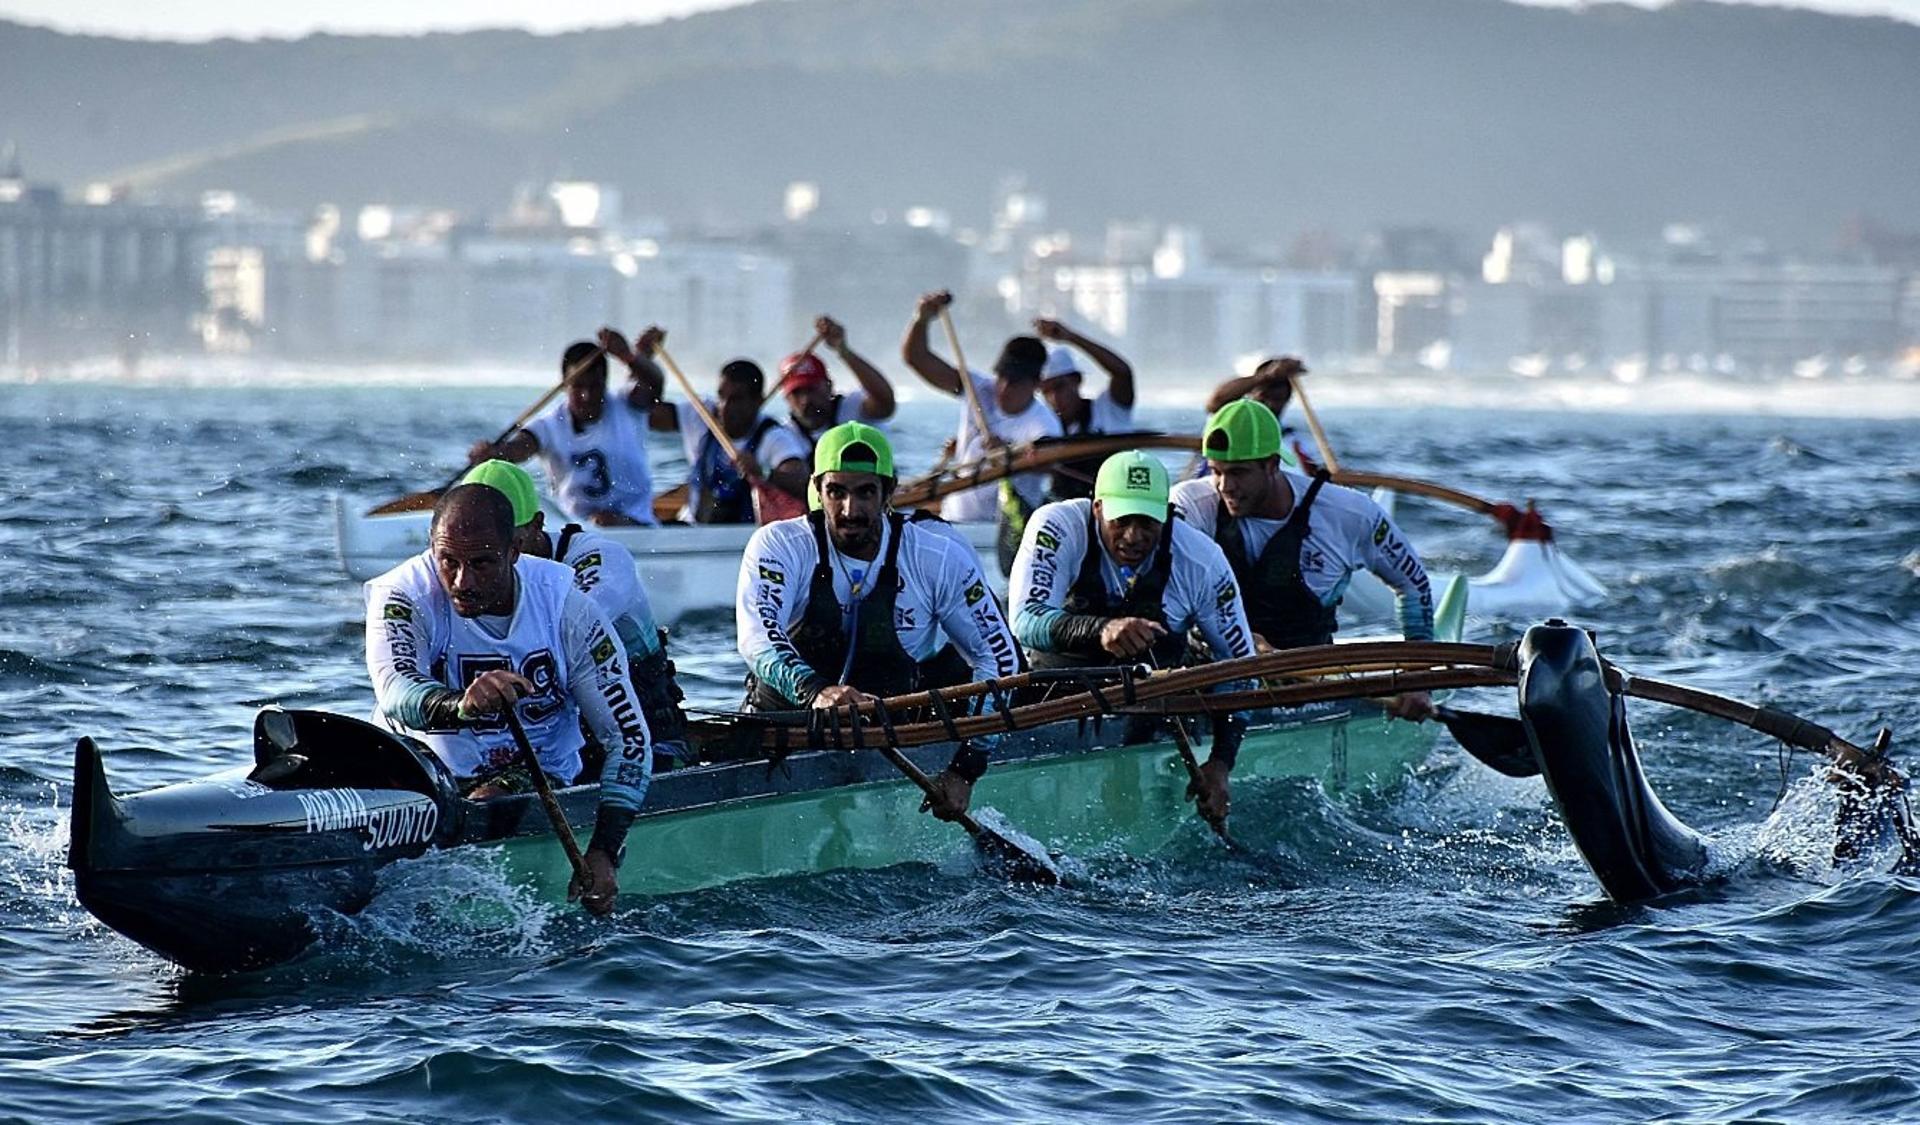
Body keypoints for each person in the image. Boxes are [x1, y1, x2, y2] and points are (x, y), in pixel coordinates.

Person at [363, 484, 653, 914]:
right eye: (449, 562)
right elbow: (395, 692)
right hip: (419, 765)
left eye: (481, 563)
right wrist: (460, 705)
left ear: (515, 550)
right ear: (432, 548)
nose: (463, 581)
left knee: (485, 802)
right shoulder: (403, 595)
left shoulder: (567, 609)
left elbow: (628, 740)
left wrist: (604, 852)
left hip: (532, 772)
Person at [736, 422, 1023, 821]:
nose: (850, 510)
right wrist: (816, 691)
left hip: (887, 733)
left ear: (889, 492)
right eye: (836, 492)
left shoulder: (937, 555)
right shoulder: (779, 546)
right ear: (817, 490)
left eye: (865, 492)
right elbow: (756, 640)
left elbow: (1001, 659)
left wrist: (966, 768)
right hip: (787, 727)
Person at [1008, 450, 1255, 823]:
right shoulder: (1056, 527)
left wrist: (1221, 763)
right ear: (1097, 508)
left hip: (1156, 708)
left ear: (1167, 516)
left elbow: (1241, 668)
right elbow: (1024, 619)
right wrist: (1100, 630)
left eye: (1148, 523)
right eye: (1121, 521)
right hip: (1061, 698)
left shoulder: (1202, 560)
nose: (1133, 536)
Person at [1170, 398, 1435, 722]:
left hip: (1309, 685)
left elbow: (1414, 584)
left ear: (1272, 464)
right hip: (1211, 675)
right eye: (1216, 472)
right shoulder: (1191, 504)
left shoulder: (1349, 514)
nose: (1226, 486)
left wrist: (1418, 679)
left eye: (1238, 472)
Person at [462, 459, 690, 765]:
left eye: (509, 539)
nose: (498, 556)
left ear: (537, 524)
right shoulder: (466, 574)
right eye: (482, 547)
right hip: (547, 732)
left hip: (646, 731)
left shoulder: (602, 558)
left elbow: (574, 628)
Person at [602, 329, 810, 524]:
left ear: (758, 401)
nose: (725, 408)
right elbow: (641, 413)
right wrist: (639, 360)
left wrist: (763, 472)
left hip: (744, 534)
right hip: (693, 529)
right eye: (722, 396)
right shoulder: (702, 415)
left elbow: (802, 482)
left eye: (736, 399)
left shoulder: (774, 437)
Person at [900, 290, 1064, 527]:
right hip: (953, 522)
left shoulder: (1044, 424)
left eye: (1015, 381)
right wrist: (922, 319)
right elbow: (915, 358)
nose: (1004, 387)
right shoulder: (976, 389)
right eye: (1002, 376)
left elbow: (1050, 465)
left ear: (1037, 383)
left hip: (1003, 531)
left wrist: (1008, 452)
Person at [468, 339, 660, 526]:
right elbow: (520, 447)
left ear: (605, 382)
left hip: (637, 524)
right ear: (565, 385)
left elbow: (655, 383)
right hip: (574, 528)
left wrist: (627, 356)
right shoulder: (549, 425)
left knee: (604, 522)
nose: (587, 396)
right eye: (578, 386)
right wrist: (496, 453)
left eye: (594, 386)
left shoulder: (628, 406)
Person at [1033, 317, 1136, 500]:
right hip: (1065, 511)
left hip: (1117, 504)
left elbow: (1123, 372)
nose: (1054, 398)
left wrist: (1071, 337)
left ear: (1077, 380)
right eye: (1046, 391)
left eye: (1059, 387)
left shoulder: (1109, 409)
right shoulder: (1042, 427)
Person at [779, 314, 897, 453]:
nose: (806, 400)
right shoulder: (783, 435)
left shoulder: (853, 409)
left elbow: (885, 403)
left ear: (829, 386)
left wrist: (843, 351)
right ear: (786, 397)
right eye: (797, 392)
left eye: (812, 389)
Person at [1203, 355, 1310, 470]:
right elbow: (1214, 404)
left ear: (1287, 397)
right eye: (1264, 397)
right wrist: (1265, 376)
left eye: (1277, 399)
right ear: (1251, 394)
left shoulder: (1291, 438)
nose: (1270, 405)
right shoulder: (1232, 424)